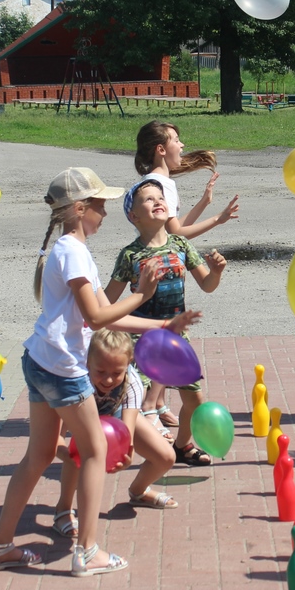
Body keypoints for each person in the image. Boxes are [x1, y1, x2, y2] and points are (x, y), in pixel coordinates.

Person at [0, 167, 199, 577]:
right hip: (63, 370)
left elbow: (109, 318)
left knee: (41, 455)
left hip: (41, 361)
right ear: (80, 209)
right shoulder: (73, 252)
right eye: (99, 205)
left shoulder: (70, 250)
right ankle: (88, 552)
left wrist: (162, 325)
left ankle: (0, 546)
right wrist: (142, 294)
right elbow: (98, 317)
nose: (104, 212)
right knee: (95, 451)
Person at [105, 178, 226, 466]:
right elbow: (108, 303)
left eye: (160, 196)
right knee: (134, 401)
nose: (157, 201)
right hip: (142, 339)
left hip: (175, 337)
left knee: (194, 400)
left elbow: (207, 285)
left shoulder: (181, 244)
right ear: (133, 216)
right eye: (147, 199)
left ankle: (183, 446)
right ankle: (127, 449)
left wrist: (217, 271)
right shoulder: (130, 255)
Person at [133, 120, 238, 431]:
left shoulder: (160, 181)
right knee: (164, 336)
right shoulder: (159, 184)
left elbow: (174, 235)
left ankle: (157, 405)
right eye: (176, 140)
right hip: (160, 272)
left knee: (164, 340)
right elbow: (177, 233)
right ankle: (149, 410)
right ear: (161, 150)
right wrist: (217, 219)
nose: (182, 146)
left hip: (162, 266)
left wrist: (204, 204)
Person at [55, 329, 179, 528]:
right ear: (88, 362)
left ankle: (139, 491)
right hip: (82, 411)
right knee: (78, 453)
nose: (109, 380)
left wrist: (124, 457)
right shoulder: (75, 381)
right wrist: (71, 456)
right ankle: (63, 510)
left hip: (115, 412)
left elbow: (126, 435)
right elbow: (57, 438)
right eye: (101, 372)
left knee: (166, 457)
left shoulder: (133, 383)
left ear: (129, 363)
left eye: (116, 373)